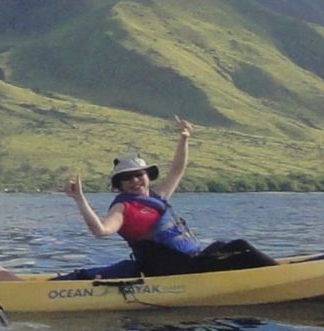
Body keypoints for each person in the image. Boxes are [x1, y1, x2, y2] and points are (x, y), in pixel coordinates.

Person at [63, 118, 273, 275]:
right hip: (168, 270)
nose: (134, 181)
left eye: (138, 175)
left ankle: (274, 273)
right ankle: (277, 274)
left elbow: (177, 170)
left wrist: (184, 139)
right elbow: (101, 231)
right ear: (120, 185)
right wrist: (80, 199)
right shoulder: (122, 208)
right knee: (240, 246)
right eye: (127, 178)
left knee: (220, 246)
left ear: (148, 177)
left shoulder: (158, 196)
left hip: (188, 262)